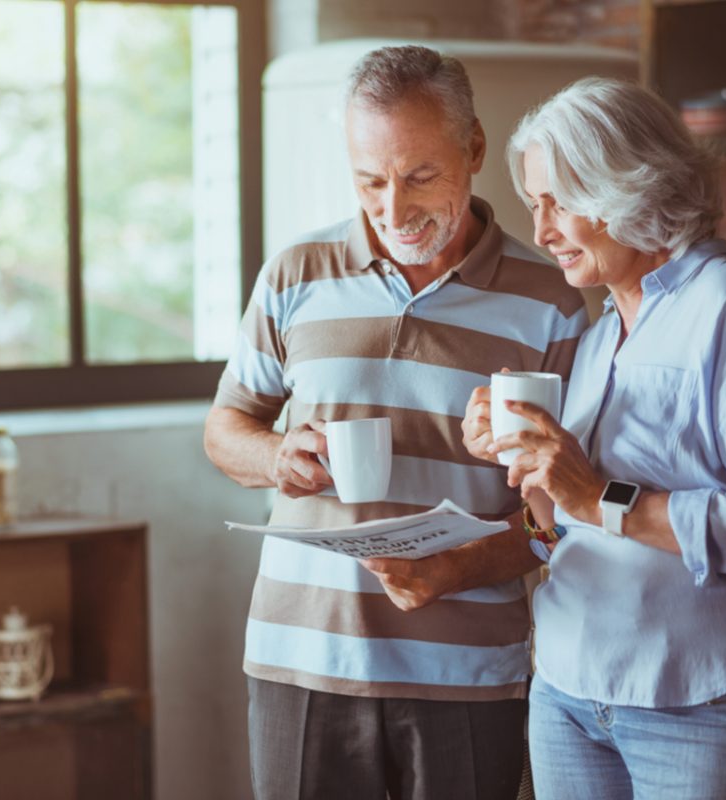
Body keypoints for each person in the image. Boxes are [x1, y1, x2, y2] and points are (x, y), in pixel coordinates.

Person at [204, 46, 587, 800]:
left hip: (469, 674)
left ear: (474, 148)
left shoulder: (553, 301)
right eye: (370, 181)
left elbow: (564, 518)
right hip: (301, 659)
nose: (393, 210)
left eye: (419, 177)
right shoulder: (297, 273)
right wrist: (279, 455)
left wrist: (458, 568)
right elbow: (225, 428)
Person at [462, 76, 726, 799]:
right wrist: (529, 466)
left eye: (557, 203)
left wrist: (599, 494)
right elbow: (568, 527)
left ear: (624, 187)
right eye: (535, 204)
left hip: (704, 702)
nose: (540, 231)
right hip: (570, 693)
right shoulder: (604, 333)